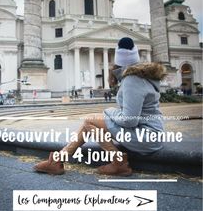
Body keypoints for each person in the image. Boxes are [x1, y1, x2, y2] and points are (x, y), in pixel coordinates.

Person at [34, 37, 166, 176]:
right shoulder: (140, 77)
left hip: (146, 136)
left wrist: (109, 111)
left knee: (90, 121)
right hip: (149, 134)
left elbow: (129, 120)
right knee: (90, 121)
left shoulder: (132, 80)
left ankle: (119, 163)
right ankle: (57, 160)